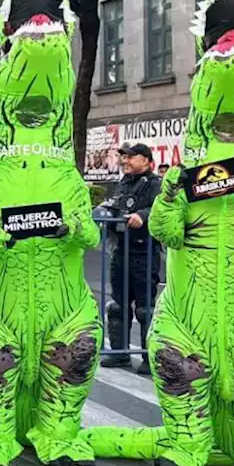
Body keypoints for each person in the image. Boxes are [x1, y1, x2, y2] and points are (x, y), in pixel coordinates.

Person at [100, 142, 161, 374]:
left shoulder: (155, 185)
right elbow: (116, 206)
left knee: (146, 308)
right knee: (117, 305)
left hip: (144, 252)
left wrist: (142, 216)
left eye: (131, 157)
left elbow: (160, 209)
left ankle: (149, 357)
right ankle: (120, 353)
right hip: (121, 251)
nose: (125, 161)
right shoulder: (124, 182)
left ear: (145, 160)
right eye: (123, 158)